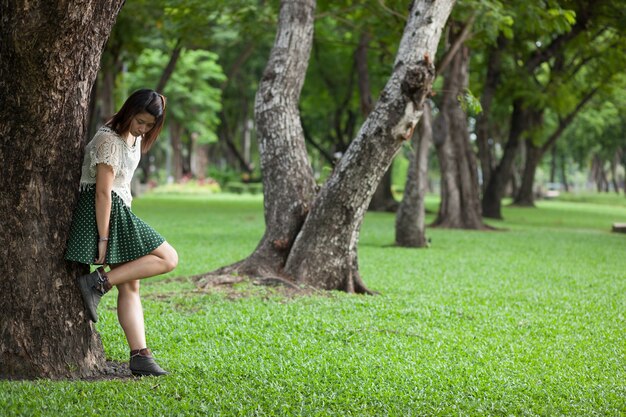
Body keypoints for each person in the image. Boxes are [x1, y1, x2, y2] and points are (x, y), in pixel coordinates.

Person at [65, 89, 178, 377]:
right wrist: (103, 238)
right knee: (168, 258)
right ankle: (98, 283)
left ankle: (140, 355)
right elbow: (102, 192)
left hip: (121, 209)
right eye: (140, 121)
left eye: (149, 125)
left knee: (132, 285)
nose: (143, 129)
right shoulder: (108, 141)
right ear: (129, 112)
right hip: (108, 211)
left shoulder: (134, 137)